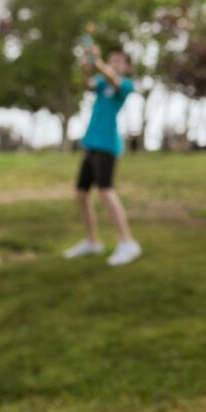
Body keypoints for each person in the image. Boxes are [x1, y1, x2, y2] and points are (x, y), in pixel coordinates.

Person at [63, 43, 142, 266]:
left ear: (126, 66)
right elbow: (86, 83)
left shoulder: (125, 85)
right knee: (81, 194)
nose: (114, 63)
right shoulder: (100, 82)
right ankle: (92, 241)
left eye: (119, 61)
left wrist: (96, 61)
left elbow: (112, 79)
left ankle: (128, 243)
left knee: (106, 192)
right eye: (112, 59)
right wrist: (87, 65)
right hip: (91, 144)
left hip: (108, 146)